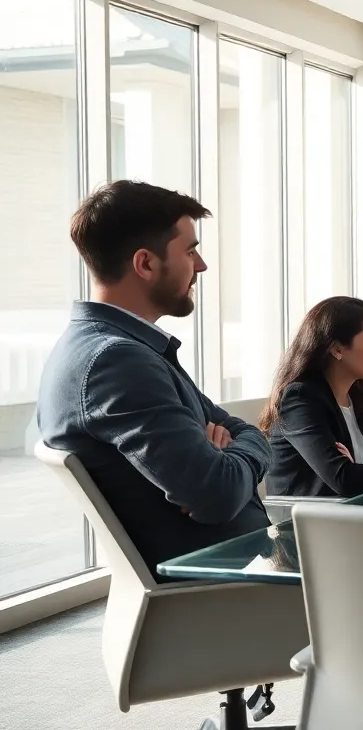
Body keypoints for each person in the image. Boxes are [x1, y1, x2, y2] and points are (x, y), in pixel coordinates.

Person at [36, 180, 271, 580]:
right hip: (221, 593)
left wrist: (235, 449)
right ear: (145, 263)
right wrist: (242, 453)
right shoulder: (118, 362)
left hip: (231, 575)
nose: (201, 266)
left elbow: (243, 430)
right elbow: (218, 494)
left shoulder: (119, 349)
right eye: (191, 250)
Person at [262, 297, 363, 498]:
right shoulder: (299, 399)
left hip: (350, 517)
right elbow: (344, 478)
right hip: (302, 525)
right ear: (337, 349)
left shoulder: (356, 397)